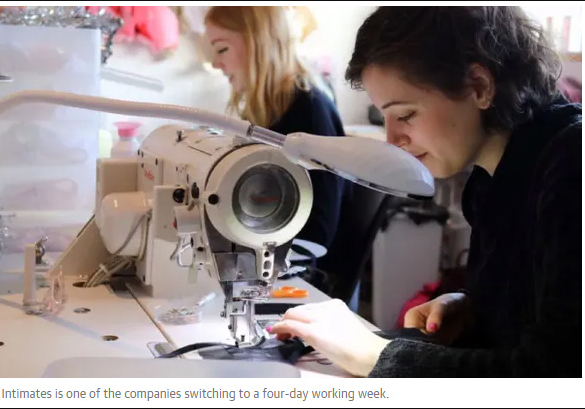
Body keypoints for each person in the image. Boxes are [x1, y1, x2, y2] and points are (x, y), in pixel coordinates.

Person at [269, 6, 582, 378]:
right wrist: (472, 309)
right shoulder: (492, 178)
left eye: (405, 115)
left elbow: (553, 372)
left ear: (479, 87)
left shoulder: (571, 164)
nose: (392, 140)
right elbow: (540, 312)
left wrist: (383, 357)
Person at [204, 7, 348, 277]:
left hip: (312, 278)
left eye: (221, 49)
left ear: (259, 45)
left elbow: (317, 234)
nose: (214, 63)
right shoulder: (268, 112)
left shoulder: (309, 110)